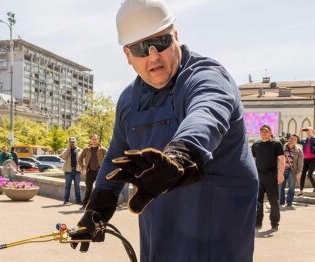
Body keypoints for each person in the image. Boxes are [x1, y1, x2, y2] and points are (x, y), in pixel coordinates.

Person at [70, 1, 259, 261]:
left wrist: (180, 156)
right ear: (127, 55)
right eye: (140, 48)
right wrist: (98, 210)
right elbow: (115, 155)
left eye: (160, 42)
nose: (153, 56)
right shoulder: (128, 101)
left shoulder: (207, 77)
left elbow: (206, 113)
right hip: (160, 238)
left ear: (176, 37)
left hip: (218, 237)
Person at [252, 125, 285, 231]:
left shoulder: (276, 144)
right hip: (258, 177)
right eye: (261, 131)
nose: (263, 133)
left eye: (265, 131)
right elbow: (252, 161)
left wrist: (280, 174)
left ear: (270, 132)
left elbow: (282, 159)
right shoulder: (256, 145)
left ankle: (274, 223)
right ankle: (257, 222)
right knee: (258, 201)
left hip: (271, 176)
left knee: (273, 201)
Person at [78, 134, 107, 208]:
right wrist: (83, 167)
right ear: (91, 140)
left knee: (99, 188)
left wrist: (105, 169)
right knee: (88, 189)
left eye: (95, 139)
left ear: (98, 140)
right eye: (93, 139)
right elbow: (80, 159)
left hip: (99, 172)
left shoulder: (103, 149)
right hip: (90, 172)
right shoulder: (86, 149)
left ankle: (99, 205)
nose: (94, 140)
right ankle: (85, 205)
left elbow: (108, 160)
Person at [279, 134, 303, 206]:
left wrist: (299, 172)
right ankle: (281, 202)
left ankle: (289, 202)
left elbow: (300, 162)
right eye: (292, 138)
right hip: (282, 170)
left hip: (292, 170)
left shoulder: (299, 150)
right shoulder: (282, 148)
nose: (292, 140)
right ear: (289, 139)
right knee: (280, 187)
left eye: (294, 139)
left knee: (291, 187)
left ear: (296, 141)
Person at [61, 137, 83, 205]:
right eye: (71, 142)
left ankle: (78, 200)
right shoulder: (66, 150)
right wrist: (68, 149)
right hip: (68, 171)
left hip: (77, 171)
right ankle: (66, 200)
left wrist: (83, 168)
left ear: (76, 142)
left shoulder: (79, 150)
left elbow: (83, 160)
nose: (72, 143)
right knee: (67, 186)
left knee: (77, 186)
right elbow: (63, 157)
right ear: (69, 142)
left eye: (73, 142)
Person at [298, 127, 315, 194]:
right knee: (303, 174)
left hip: (313, 159)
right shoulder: (304, 140)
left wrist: (310, 133)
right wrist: (300, 132)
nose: (308, 132)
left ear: (312, 132)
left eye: (309, 131)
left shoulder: (314, 138)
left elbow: (314, 141)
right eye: (307, 131)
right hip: (306, 159)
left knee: (309, 174)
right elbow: (297, 141)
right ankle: (301, 191)